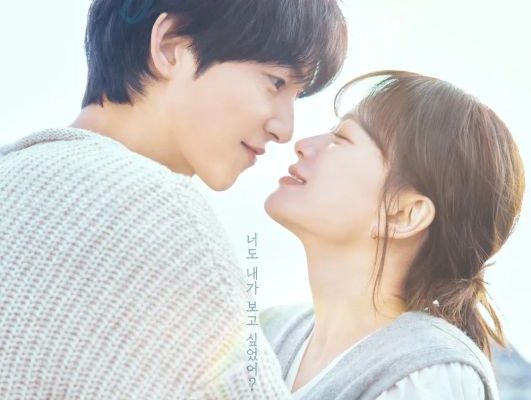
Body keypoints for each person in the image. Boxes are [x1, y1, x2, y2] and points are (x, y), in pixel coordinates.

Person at [0, 0, 347, 398]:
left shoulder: (13, 174)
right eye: (276, 82)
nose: (284, 129)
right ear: (170, 47)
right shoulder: (159, 214)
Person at [261, 70, 525, 400]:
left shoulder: (430, 374)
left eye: (341, 139)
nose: (302, 145)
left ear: (403, 215)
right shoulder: (267, 332)